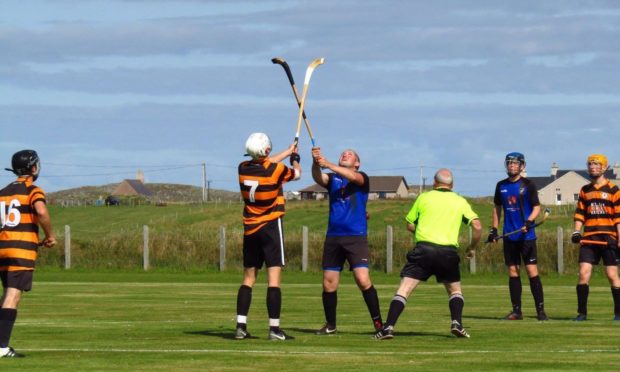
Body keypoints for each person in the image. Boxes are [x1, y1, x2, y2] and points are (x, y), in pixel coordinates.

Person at [374, 168, 481, 340]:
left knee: (405, 289)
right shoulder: (460, 201)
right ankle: (457, 324)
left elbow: (409, 224)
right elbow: (477, 226)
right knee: (455, 291)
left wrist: (422, 232)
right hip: (448, 252)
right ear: (452, 185)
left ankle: (388, 327)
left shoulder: (424, 197)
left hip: (424, 250)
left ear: (434, 182)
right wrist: (472, 247)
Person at [234, 133, 301, 341]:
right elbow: (296, 175)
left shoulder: (243, 168)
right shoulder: (276, 170)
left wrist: (288, 151)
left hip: (250, 228)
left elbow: (267, 163)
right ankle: (274, 329)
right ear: (267, 150)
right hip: (271, 226)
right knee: (274, 280)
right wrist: (295, 159)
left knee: (248, 279)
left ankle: (240, 326)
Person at [310, 147, 382, 335]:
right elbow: (318, 177)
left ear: (357, 163)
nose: (345, 154)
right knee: (328, 283)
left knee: (362, 279)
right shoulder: (333, 178)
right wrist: (316, 162)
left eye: (350, 154)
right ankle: (331, 325)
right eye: (343, 153)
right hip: (333, 237)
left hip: (355, 237)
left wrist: (329, 164)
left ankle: (379, 324)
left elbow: (354, 178)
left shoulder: (362, 178)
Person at [1, 150, 56, 358]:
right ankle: (2, 347)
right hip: (20, 249)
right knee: (13, 296)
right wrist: (50, 234)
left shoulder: (3, 192)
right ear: (33, 167)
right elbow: (41, 211)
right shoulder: (33, 189)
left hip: (2, 248)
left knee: (6, 294)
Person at [487, 152, 548, 321]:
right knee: (513, 272)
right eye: (509, 163)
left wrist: (529, 222)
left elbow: (536, 207)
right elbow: (497, 208)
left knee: (531, 271)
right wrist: (494, 229)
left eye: (515, 163)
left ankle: (540, 311)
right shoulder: (500, 186)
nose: (512, 166)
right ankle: (516, 311)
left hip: (527, 237)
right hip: (509, 236)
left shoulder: (529, 185)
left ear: (522, 166)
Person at [571, 154, 620, 321]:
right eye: (590, 164)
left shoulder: (614, 190)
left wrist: (619, 238)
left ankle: (618, 314)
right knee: (583, 274)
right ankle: (581, 313)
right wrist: (577, 232)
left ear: (604, 168)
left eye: (596, 164)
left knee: (612, 275)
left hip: (608, 238)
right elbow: (580, 214)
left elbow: (619, 218)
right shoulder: (585, 190)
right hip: (589, 238)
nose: (592, 167)